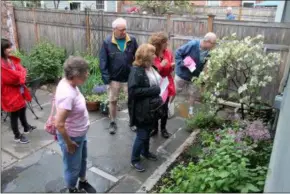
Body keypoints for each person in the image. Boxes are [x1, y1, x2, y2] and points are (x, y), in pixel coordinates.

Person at [54, 56, 96, 193]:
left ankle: (83, 182)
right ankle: (72, 189)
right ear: (75, 75)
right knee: (72, 167)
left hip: (80, 134)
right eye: (85, 72)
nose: (87, 74)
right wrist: (69, 143)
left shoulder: (69, 83)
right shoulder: (68, 95)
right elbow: (59, 124)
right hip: (72, 138)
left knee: (82, 160)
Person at [100, 17, 138, 135]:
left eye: (125, 29)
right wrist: (106, 76)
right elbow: (103, 60)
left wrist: (136, 72)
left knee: (131, 100)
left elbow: (137, 57)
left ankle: (132, 121)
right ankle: (112, 122)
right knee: (113, 101)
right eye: (121, 30)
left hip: (129, 77)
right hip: (114, 78)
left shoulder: (132, 40)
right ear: (114, 29)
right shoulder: (107, 42)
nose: (124, 32)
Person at [128, 44, 161, 172]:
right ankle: (134, 159)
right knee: (142, 135)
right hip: (141, 109)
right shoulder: (136, 71)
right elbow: (133, 92)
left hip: (150, 108)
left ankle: (145, 153)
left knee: (148, 132)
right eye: (152, 54)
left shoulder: (149, 67)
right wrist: (153, 90)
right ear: (146, 56)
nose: (155, 56)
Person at [1, 38, 36, 144]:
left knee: (22, 108)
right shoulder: (1, 64)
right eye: (7, 47)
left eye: (10, 46)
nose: (10, 49)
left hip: (18, 90)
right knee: (14, 114)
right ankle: (17, 135)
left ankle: (26, 127)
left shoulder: (9, 59)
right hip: (9, 92)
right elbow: (9, 78)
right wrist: (20, 76)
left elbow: (20, 70)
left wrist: (21, 74)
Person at [174, 32, 217, 116]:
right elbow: (178, 53)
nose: (213, 45)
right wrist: (182, 63)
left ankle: (190, 111)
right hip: (182, 74)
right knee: (175, 91)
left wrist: (204, 75)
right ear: (207, 41)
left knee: (193, 94)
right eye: (213, 43)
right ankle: (167, 106)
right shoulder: (193, 44)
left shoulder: (209, 52)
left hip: (195, 76)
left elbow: (205, 64)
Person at [148, 32, 175, 138]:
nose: (167, 44)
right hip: (155, 83)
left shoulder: (168, 53)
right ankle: (154, 128)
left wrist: (171, 66)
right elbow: (151, 71)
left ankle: (163, 129)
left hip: (165, 83)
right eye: (165, 42)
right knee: (155, 106)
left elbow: (169, 68)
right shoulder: (151, 54)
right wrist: (161, 65)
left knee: (164, 107)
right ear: (159, 44)